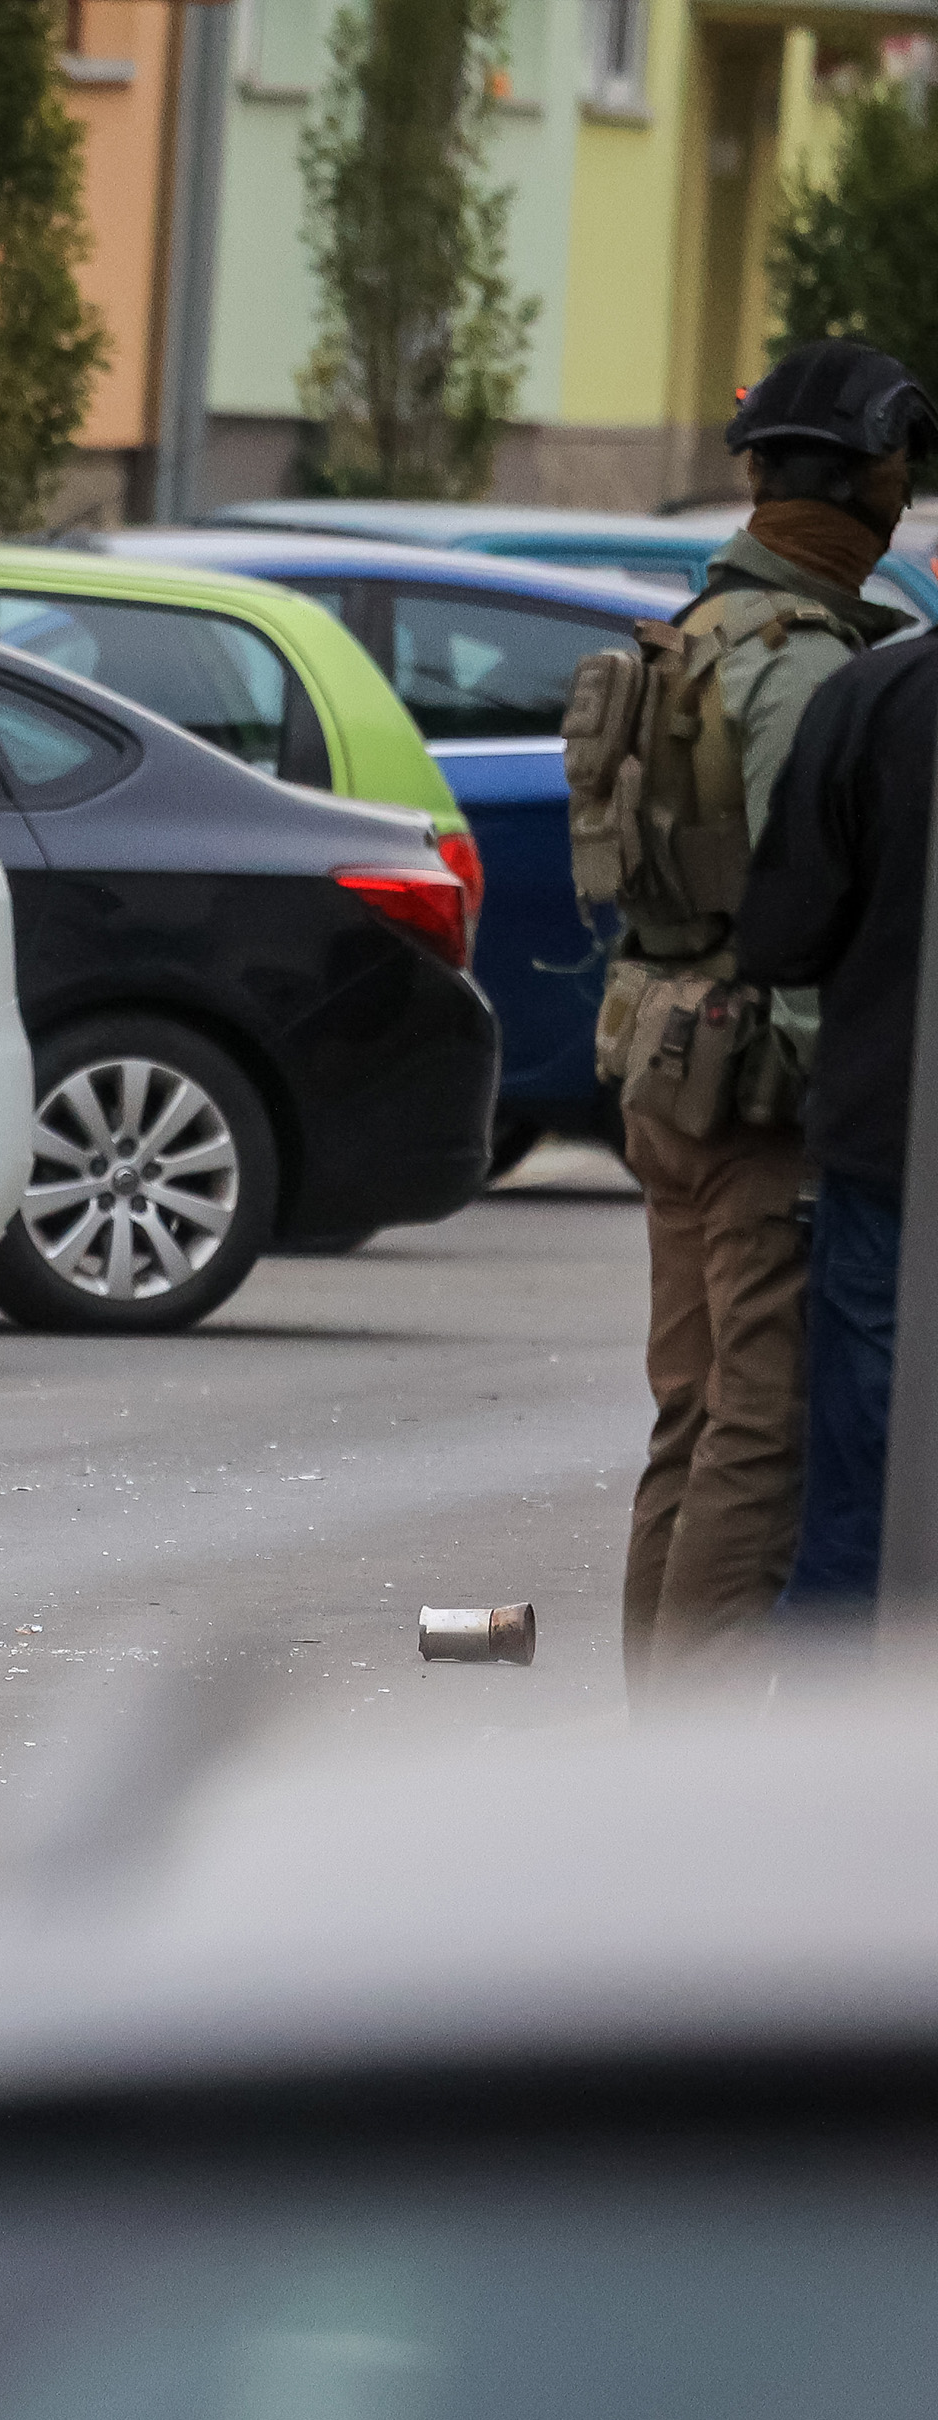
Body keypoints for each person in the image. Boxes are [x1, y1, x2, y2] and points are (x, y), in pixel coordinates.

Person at [605, 338, 924, 1689]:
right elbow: (813, 902)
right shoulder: (801, 663)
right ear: (864, 481)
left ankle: (656, 1750)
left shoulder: (702, 628)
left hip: (667, 1067)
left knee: (692, 1420)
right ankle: (708, 1770)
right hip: (761, 1093)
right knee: (762, 1433)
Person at [736, 404, 938, 1622]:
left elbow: (778, 936)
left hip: (885, 1145)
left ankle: (819, 1794)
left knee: (858, 1497)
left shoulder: (869, 696)